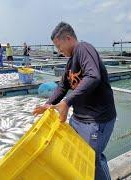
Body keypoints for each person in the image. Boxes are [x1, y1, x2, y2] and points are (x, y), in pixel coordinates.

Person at [32, 22, 116, 180]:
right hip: (78, 120)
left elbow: (93, 76)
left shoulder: (84, 48)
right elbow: (62, 86)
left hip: (96, 121)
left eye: (59, 46)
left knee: (92, 160)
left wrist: (66, 102)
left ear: (68, 38)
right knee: (79, 157)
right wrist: (47, 104)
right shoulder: (70, 62)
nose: (59, 51)